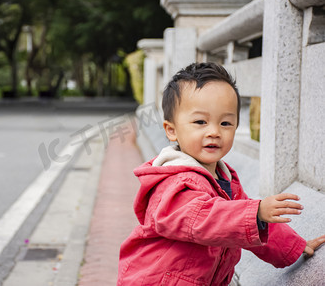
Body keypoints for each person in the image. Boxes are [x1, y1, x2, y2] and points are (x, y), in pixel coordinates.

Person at [117, 62, 325, 285]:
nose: (214, 132)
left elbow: (242, 222)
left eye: (225, 123)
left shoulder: (224, 178)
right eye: (200, 122)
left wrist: (295, 246)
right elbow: (204, 219)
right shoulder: (174, 182)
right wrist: (255, 212)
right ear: (171, 130)